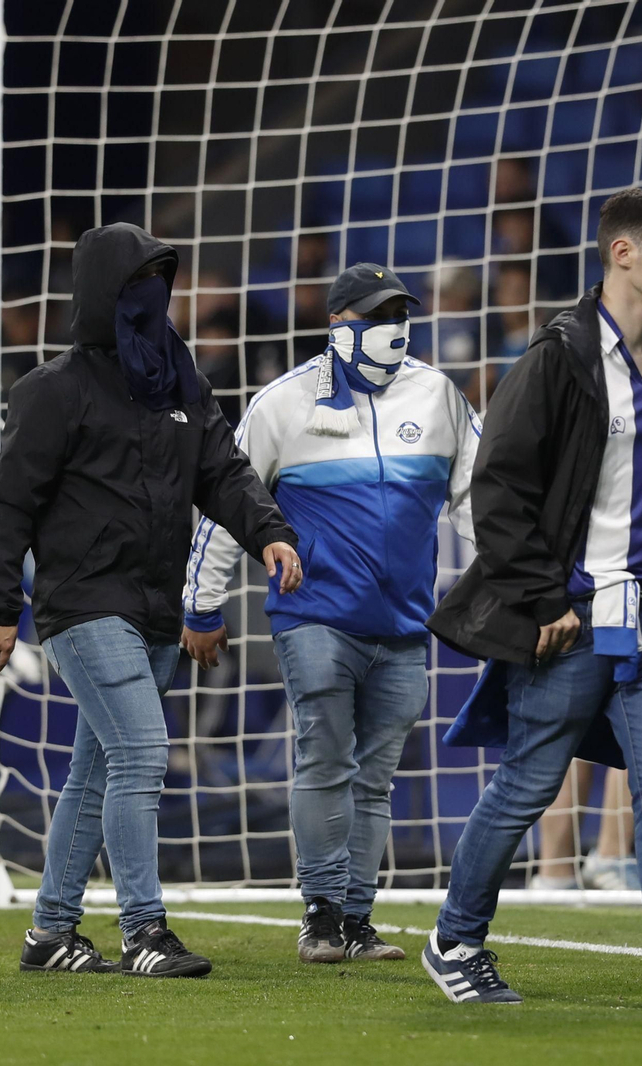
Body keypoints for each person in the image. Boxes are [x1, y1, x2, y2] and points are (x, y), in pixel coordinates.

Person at [423, 187, 642, 1009]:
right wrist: (544, 600)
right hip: (573, 616)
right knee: (527, 785)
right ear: (622, 254)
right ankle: (454, 941)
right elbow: (495, 488)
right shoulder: (557, 356)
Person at [0, 222, 302, 978]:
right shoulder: (51, 391)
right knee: (145, 753)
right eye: (135, 284)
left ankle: (50, 934)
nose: (151, 298)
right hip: (83, 605)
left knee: (98, 770)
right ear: (101, 297)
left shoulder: (178, 380)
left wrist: (270, 533)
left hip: (154, 603)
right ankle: (144, 931)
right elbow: (8, 503)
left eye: (159, 281)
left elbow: (222, 471)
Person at [183, 262, 478, 963]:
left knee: (375, 776)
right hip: (314, 614)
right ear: (338, 325)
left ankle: (354, 915)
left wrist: (510, 588)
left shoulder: (440, 395)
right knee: (323, 758)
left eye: (400, 315)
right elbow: (228, 506)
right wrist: (201, 604)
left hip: (407, 624)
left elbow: (475, 502)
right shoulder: (281, 404)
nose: (393, 330)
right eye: (377, 317)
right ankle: (320, 912)